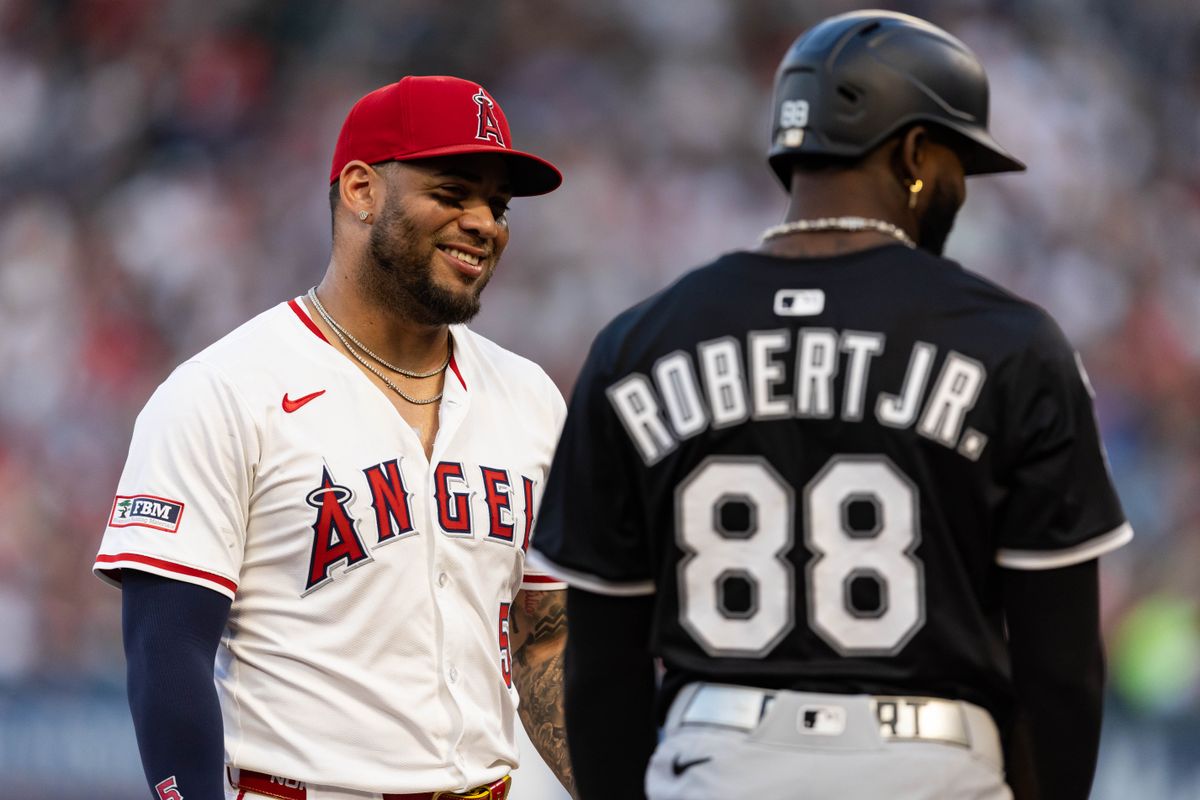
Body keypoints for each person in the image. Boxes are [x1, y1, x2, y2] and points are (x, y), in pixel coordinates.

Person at [529, 10, 1130, 800]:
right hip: (932, 761)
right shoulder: (1012, 343)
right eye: (958, 161)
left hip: (716, 755)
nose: (959, 187)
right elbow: (1062, 670)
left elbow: (601, 667)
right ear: (915, 154)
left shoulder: (637, 342)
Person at [94, 75, 575, 800]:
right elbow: (168, 652)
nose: (485, 223)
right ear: (360, 190)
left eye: (498, 205)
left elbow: (545, 642)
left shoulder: (530, 398)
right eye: (452, 192)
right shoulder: (225, 391)